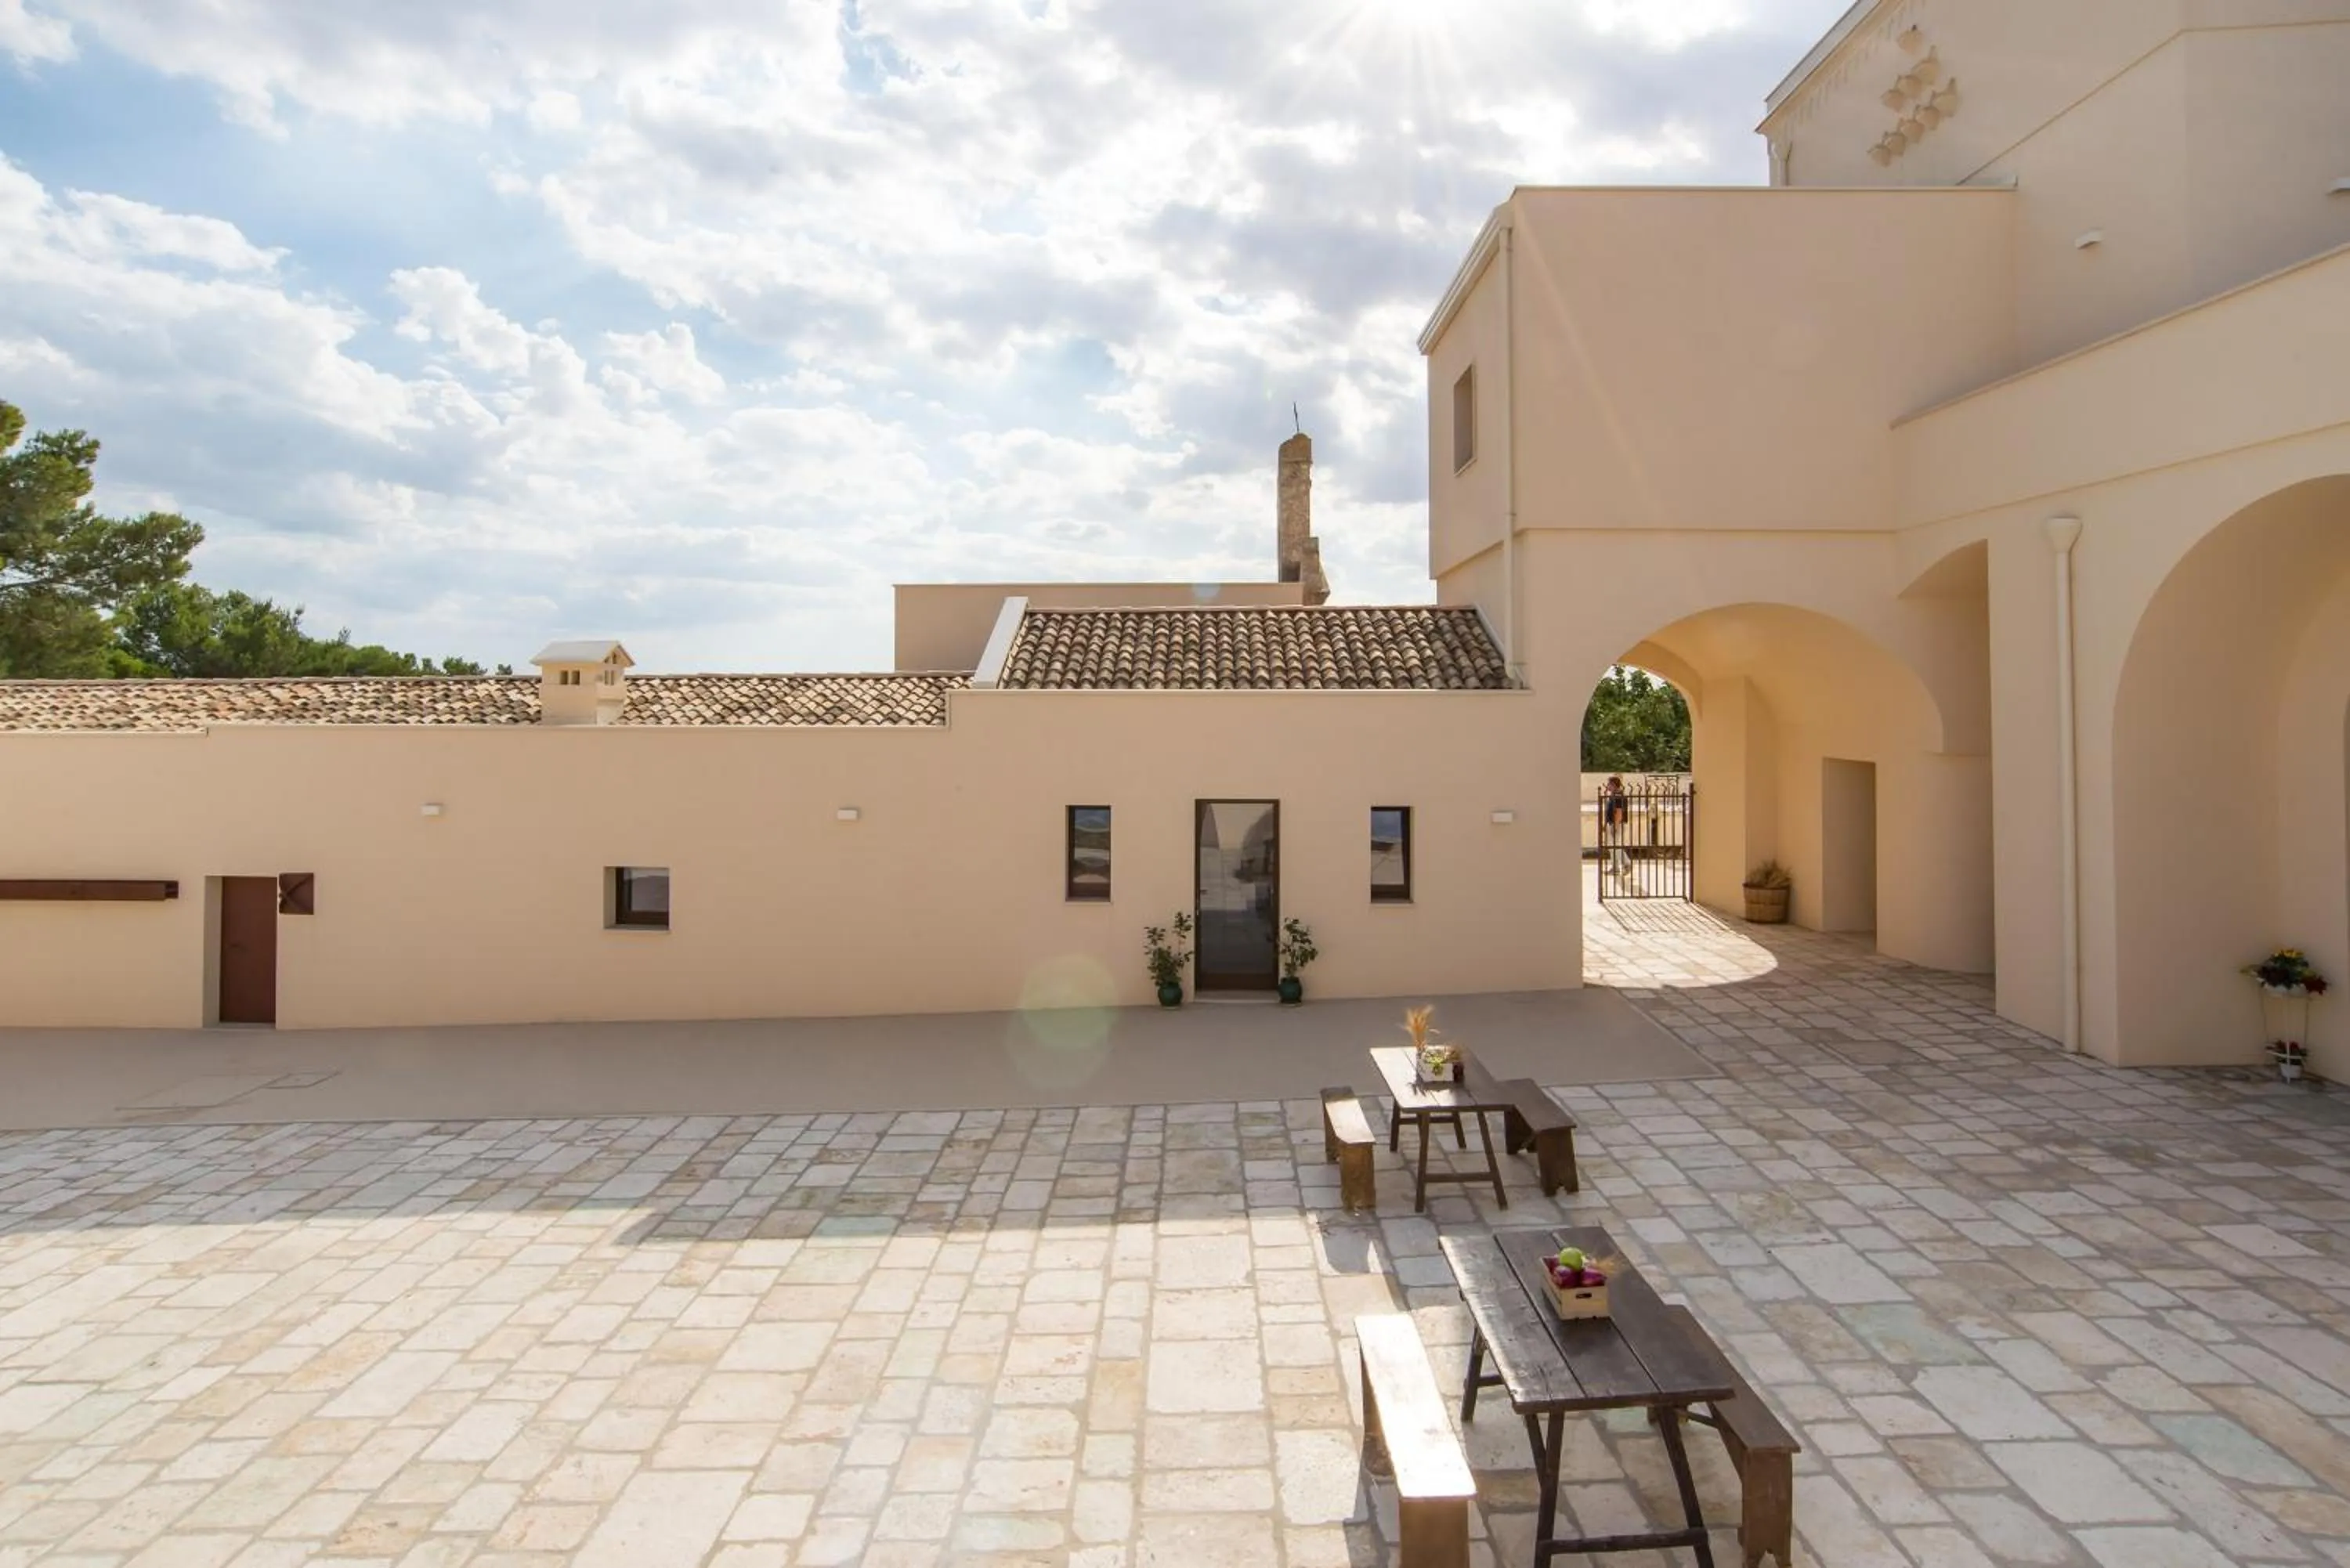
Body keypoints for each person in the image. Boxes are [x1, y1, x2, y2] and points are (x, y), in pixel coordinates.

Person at [1600, 775, 1631, 883]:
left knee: (1616, 846)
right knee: (1612, 847)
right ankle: (1615, 868)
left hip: (1617, 824)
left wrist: (1615, 827)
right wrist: (1606, 825)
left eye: (1609, 784)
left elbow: (1619, 813)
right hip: (1612, 824)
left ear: (1613, 785)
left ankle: (1627, 864)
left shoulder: (1618, 796)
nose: (1607, 786)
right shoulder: (1613, 795)